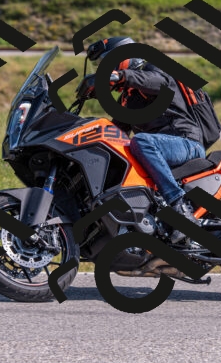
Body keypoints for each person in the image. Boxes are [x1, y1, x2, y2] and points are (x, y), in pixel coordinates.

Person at [86, 36, 207, 244]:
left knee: (142, 142)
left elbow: (158, 82)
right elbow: (115, 132)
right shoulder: (128, 97)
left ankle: (179, 208)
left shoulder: (153, 69)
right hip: (164, 149)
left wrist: (120, 76)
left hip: (186, 142)